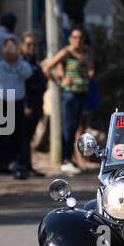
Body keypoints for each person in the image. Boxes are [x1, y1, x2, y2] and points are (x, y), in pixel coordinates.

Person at [44, 26, 94, 174]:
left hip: (82, 93)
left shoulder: (85, 53)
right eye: (75, 37)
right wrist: (60, 83)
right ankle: (65, 159)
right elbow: (47, 68)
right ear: (70, 38)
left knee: (77, 128)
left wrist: (85, 63)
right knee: (68, 127)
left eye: (81, 38)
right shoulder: (66, 52)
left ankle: (71, 158)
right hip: (70, 94)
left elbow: (91, 70)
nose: (78, 40)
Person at [0, 36, 33, 179]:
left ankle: (19, 168)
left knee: (19, 138)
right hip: (2, 103)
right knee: (0, 137)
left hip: (17, 103)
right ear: (4, 49)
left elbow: (28, 73)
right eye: (9, 47)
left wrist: (18, 60)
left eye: (14, 47)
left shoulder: (21, 66)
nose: (12, 50)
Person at [18, 32, 48, 173]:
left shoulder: (34, 61)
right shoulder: (22, 62)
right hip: (27, 104)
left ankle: (27, 166)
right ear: (22, 46)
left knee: (28, 137)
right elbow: (21, 85)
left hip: (37, 103)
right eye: (28, 45)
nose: (31, 47)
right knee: (23, 137)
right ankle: (22, 166)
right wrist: (25, 105)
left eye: (33, 45)